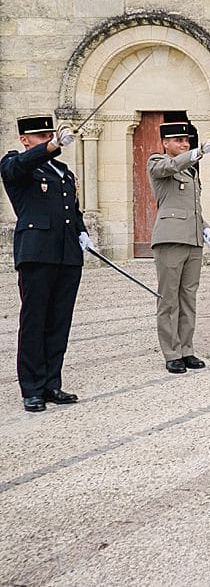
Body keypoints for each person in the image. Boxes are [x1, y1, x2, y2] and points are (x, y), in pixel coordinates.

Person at [1, 115, 86, 413]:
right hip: (37, 253)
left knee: (59, 321)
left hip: (67, 254)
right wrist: (48, 147)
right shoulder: (16, 164)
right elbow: (17, 168)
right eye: (40, 136)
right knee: (34, 321)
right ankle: (32, 388)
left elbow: (72, 210)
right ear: (25, 140)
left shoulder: (62, 172)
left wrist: (83, 232)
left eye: (49, 134)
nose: (47, 139)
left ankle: (52, 383)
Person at [148, 118, 210, 373]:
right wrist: (196, 153)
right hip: (170, 238)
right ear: (165, 143)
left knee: (188, 297)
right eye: (178, 140)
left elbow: (191, 206)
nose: (184, 144)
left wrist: (205, 226)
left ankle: (187, 349)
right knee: (169, 298)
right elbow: (169, 166)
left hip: (193, 238)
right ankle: (171, 352)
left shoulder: (191, 171)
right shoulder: (157, 162)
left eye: (187, 140)